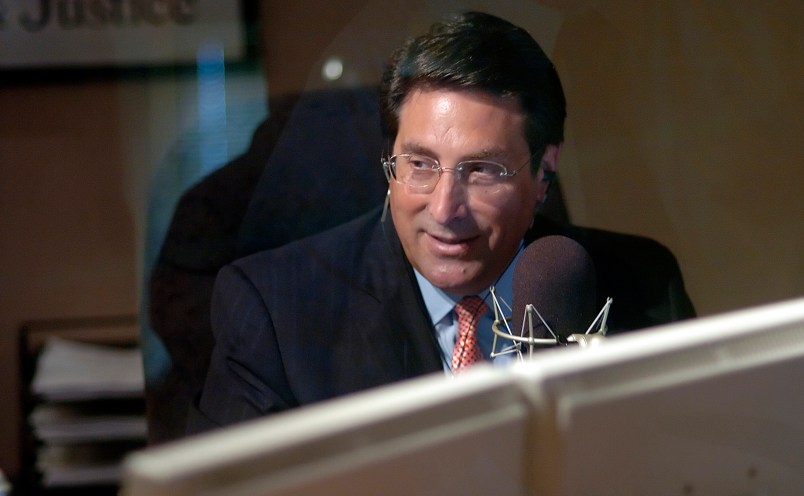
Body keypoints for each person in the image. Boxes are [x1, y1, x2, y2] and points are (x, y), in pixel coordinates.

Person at [187, 11, 694, 432]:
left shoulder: (640, 285)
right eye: (421, 164)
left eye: (483, 171)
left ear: (544, 171)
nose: (446, 208)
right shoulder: (278, 309)